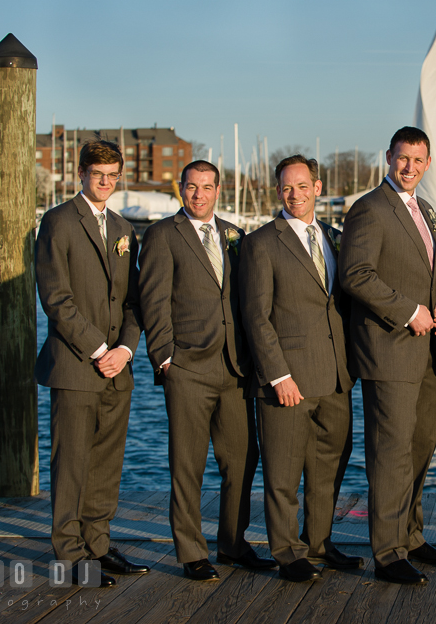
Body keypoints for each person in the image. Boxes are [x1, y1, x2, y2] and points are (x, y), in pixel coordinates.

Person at [138, 160, 274, 581]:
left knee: (241, 459)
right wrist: (165, 358)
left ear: (219, 189)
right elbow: (153, 301)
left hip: (234, 368)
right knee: (188, 463)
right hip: (188, 369)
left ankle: (233, 543)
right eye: (192, 187)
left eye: (207, 187)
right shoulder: (162, 235)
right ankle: (191, 551)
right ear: (181, 189)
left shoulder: (234, 235)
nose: (199, 195)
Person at [338, 126, 436, 585]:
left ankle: (411, 535)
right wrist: (409, 312)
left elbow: (426, 277)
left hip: (426, 352)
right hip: (388, 351)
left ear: (427, 164)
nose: (409, 167)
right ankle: (388, 553)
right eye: (402, 158)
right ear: (389, 157)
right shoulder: (369, 209)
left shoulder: (424, 209)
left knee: (421, 445)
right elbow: (355, 274)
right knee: (391, 454)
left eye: (418, 161)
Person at [239, 155, 362, 583]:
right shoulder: (261, 243)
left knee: (328, 469)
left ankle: (319, 542)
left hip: (335, 377)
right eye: (287, 188)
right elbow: (256, 317)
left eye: (302, 186)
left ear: (318, 187)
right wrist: (278, 375)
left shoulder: (334, 237)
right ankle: (287, 551)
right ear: (278, 191)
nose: (295, 195)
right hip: (287, 380)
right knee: (283, 471)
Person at [35, 140, 148, 587]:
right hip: (76, 364)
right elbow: (56, 300)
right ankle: (69, 554)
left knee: (106, 462)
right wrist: (100, 350)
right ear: (80, 173)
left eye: (113, 175)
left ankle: (98, 546)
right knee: (71, 463)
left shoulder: (124, 228)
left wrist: (125, 350)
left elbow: (134, 300)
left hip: (118, 366)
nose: (106, 182)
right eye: (98, 174)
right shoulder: (59, 222)